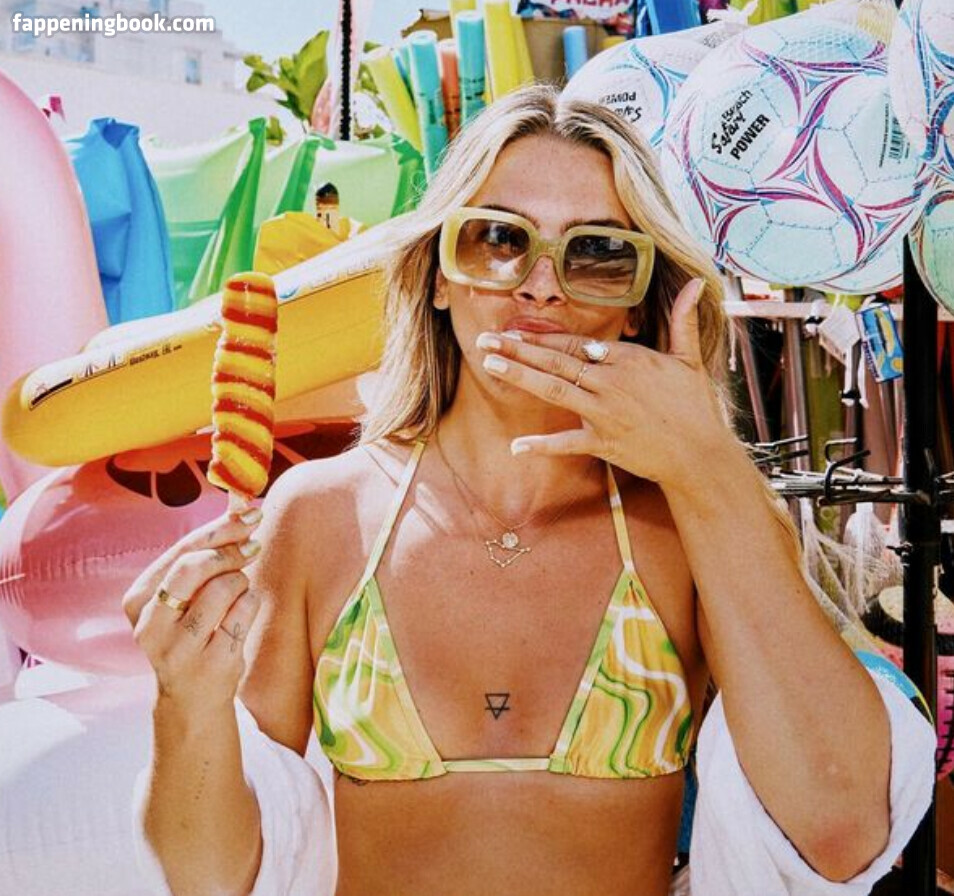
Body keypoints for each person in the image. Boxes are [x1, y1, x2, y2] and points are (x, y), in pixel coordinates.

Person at [124, 84, 935, 896]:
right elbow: (211, 879)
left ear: (636, 307)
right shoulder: (320, 516)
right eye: (497, 238)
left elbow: (843, 831)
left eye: (597, 253)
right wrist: (185, 703)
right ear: (438, 277)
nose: (542, 285)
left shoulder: (690, 522)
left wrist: (709, 465)